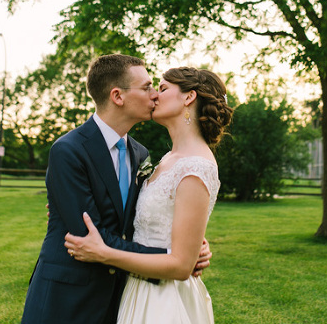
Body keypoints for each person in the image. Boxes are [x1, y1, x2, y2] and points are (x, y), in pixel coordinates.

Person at [20, 55, 211, 324]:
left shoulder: (139, 153)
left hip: (120, 298)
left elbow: (140, 218)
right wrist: (174, 260)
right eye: (146, 87)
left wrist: (189, 245)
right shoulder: (69, 150)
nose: (154, 95)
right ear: (118, 96)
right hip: (67, 298)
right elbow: (90, 235)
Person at [64, 67, 233, 324]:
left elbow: (180, 266)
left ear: (189, 98)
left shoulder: (197, 166)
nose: (154, 95)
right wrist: (69, 204)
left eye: (163, 89)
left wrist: (104, 253)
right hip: (136, 290)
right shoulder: (167, 159)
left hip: (165, 301)